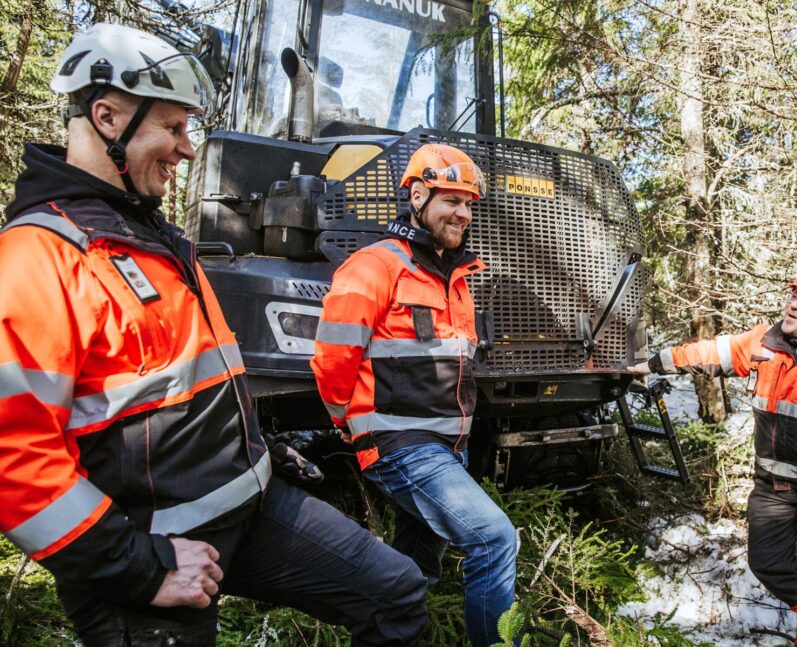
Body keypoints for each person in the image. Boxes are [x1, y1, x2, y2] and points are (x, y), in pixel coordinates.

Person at [0, 23, 426, 646]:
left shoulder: (159, 240)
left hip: (250, 505)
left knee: (397, 595)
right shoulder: (36, 257)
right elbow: (15, 461)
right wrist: (142, 570)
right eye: (173, 128)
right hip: (148, 556)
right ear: (107, 115)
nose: (188, 148)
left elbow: (198, 377)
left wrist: (257, 446)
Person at [312, 143, 518, 647]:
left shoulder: (458, 277)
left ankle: (397, 632)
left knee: (415, 568)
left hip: (447, 449)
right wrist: (350, 423)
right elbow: (333, 358)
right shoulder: (374, 266)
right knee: (494, 539)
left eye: (469, 204)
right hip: (401, 445)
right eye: (452, 201)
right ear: (419, 196)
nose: (464, 214)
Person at [632, 267, 797, 647]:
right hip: (773, 489)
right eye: (794, 297)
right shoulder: (763, 342)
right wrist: (655, 362)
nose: (794, 305)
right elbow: (710, 352)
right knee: (768, 562)